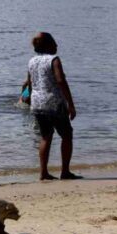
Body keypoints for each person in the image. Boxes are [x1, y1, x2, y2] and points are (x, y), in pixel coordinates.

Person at [24, 32, 80, 181]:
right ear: (48, 45)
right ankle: (65, 172)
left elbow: (28, 83)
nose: (57, 45)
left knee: (45, 137)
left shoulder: (32, 61)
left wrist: (27, 98)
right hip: (54, 103)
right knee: (67, 135)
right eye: (54, 43)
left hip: (37, 104)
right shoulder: (54, 60)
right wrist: (71, 104)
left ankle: (43, 173)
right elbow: (60, 81)